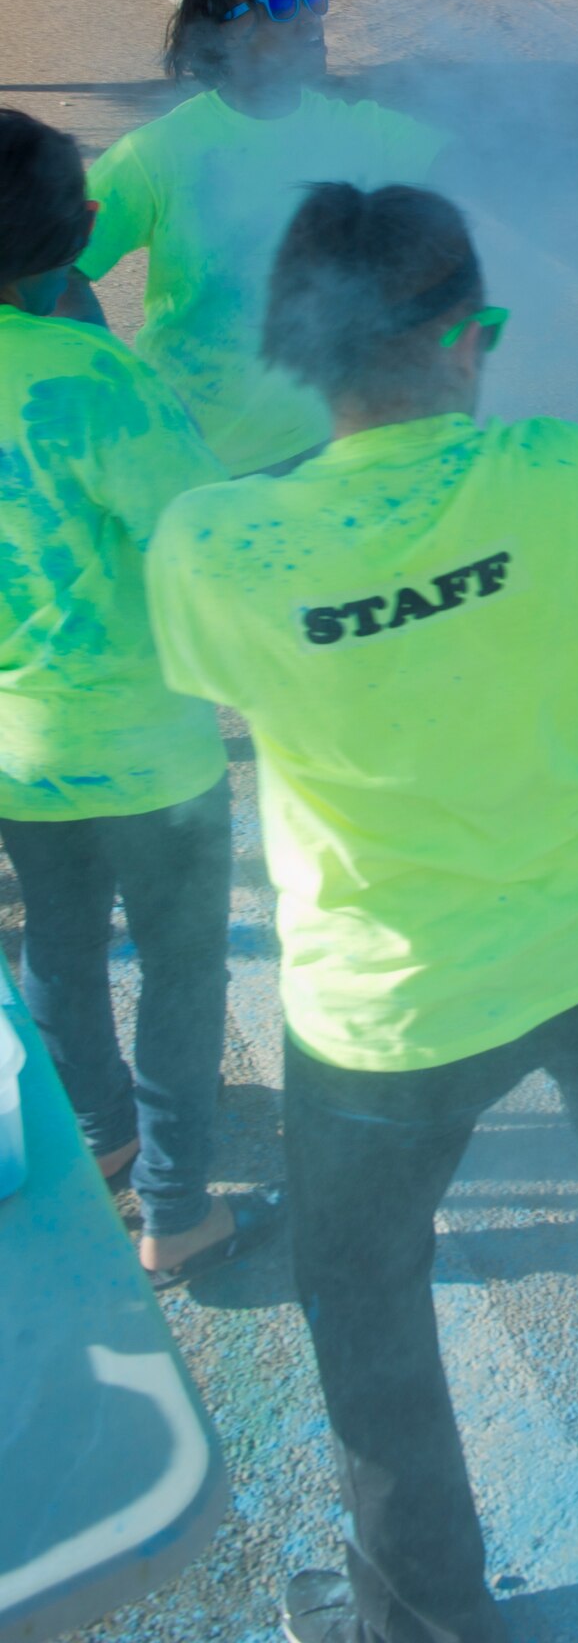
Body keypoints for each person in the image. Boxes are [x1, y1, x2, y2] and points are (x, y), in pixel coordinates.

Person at [145, 182, 578, 1643]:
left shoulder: (216, 545)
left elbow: (224, 691)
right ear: (459, 336)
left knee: (365, 1295)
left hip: (386, 1009)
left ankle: (423, 1615)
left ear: (303, 352)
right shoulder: (563, 471)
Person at [0, 108, 281, 1285]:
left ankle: (101, 1130)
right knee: (180, 966)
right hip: (150, 750)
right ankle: (177, 1206)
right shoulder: (99, 378)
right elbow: (203, 539)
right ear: (72, 233)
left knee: (58, 947)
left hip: (17, 750)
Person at [62, 0, 449, 476]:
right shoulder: (159, 153)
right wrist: (114, 378)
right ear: (230, 31)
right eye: (284, 5)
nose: (311, 18)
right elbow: (58, 265)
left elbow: (474, 167)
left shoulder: (355, 129)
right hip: (205, 467)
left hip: (329, 454)